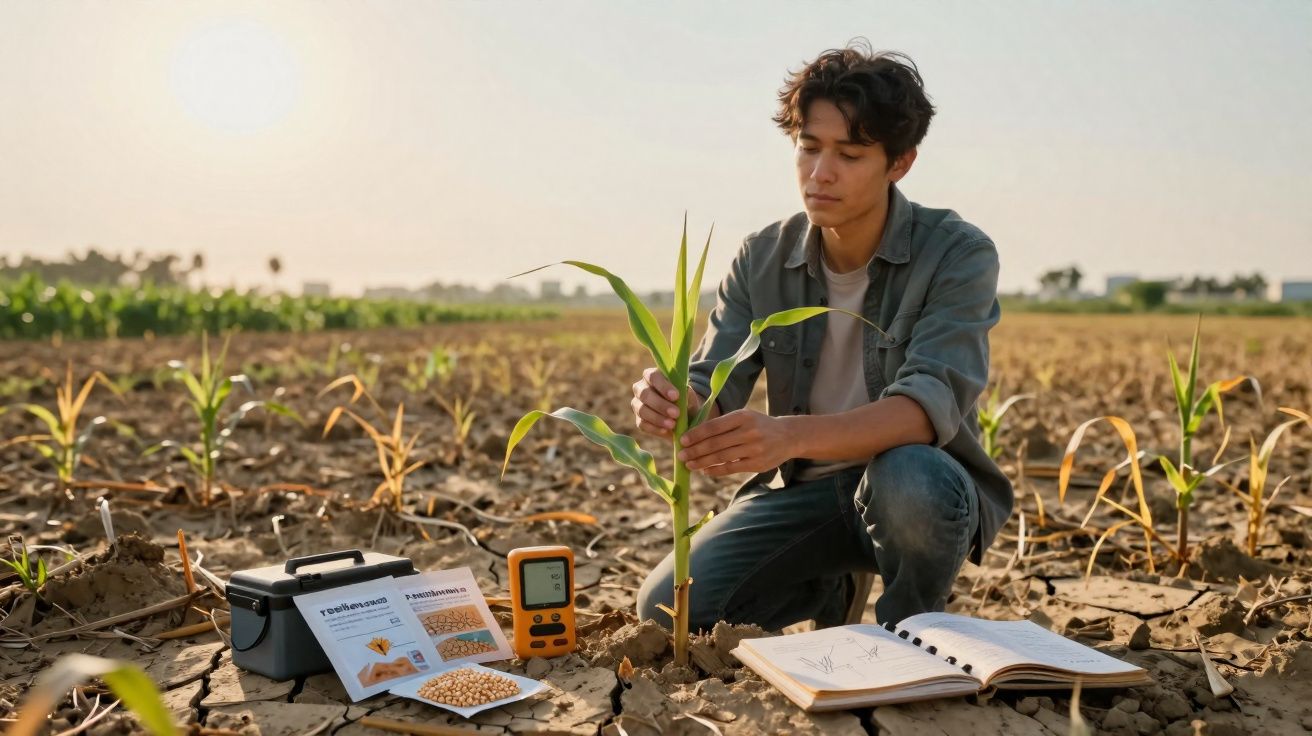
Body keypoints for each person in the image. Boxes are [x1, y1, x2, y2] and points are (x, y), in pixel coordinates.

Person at [633, 42, 1013, 630]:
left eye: (850, 154)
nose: (820, 173)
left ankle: (912, 631)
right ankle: (824, 582)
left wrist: (787, 435)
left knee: (912, 476)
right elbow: (715, 384)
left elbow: (924, 409)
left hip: (910, 486)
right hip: (803, 492)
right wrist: (676, 401)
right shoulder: (762, 256)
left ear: (900, 163)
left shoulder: (957, 254)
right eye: (808, 148)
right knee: (667, 612)